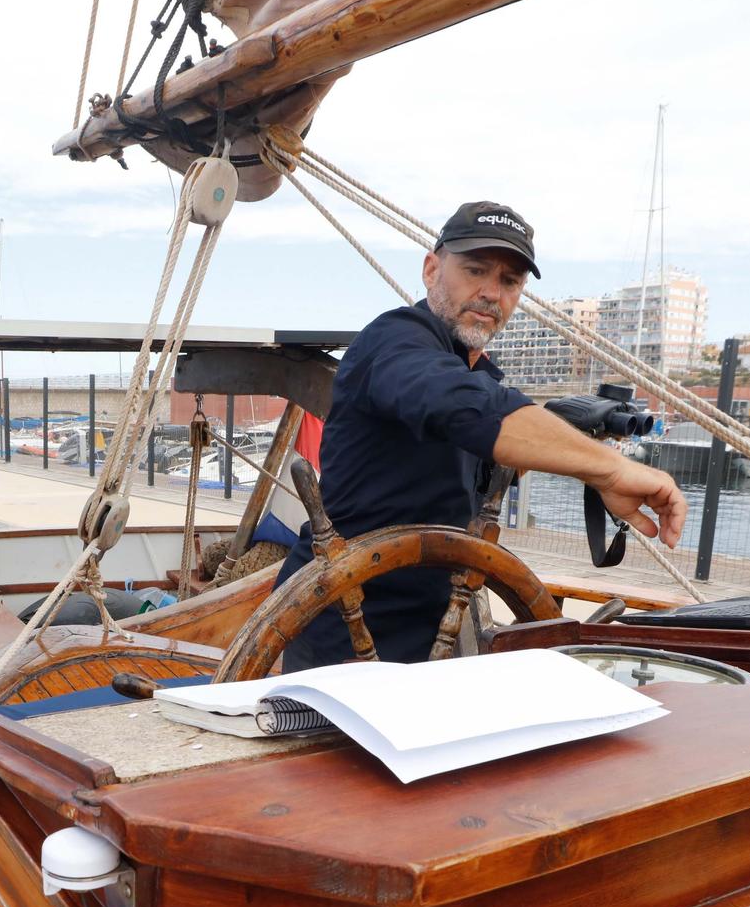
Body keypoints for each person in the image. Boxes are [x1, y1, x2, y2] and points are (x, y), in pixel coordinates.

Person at [275, 200, 686, 670]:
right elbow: (463, 407)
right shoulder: (395, 341)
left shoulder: (482, 375)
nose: (491, 292)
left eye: (509, 281)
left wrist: (590, 472)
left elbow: (486, 438)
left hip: (429, 626)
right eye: (474, 270)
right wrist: (613, 470)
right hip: (339, 622)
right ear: (432, 270)